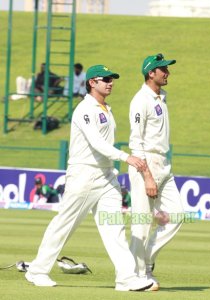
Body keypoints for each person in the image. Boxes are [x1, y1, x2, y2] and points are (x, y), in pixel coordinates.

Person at [25, 64, 153, 292]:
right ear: (92, 82)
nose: (110, 82)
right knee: (64, 225)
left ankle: (126, 278)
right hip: (84, 175)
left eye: (112, 79)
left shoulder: (105, 108)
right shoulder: (85, 109)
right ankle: (37, 271)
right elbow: (97, 142)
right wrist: (126, 157)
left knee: (114, 229)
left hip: (105, 177)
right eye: (105, 79)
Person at [128, 53, 185, 291]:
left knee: (177, 216)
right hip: (146, 163)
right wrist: (147, 175)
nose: (167, 72)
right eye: (163, 69)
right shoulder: (140, 100)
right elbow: (136, 141)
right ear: (151, 73)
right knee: (141, 222)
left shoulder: (162, 97)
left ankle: (146, 263)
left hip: (164, 163)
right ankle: (135, 275)